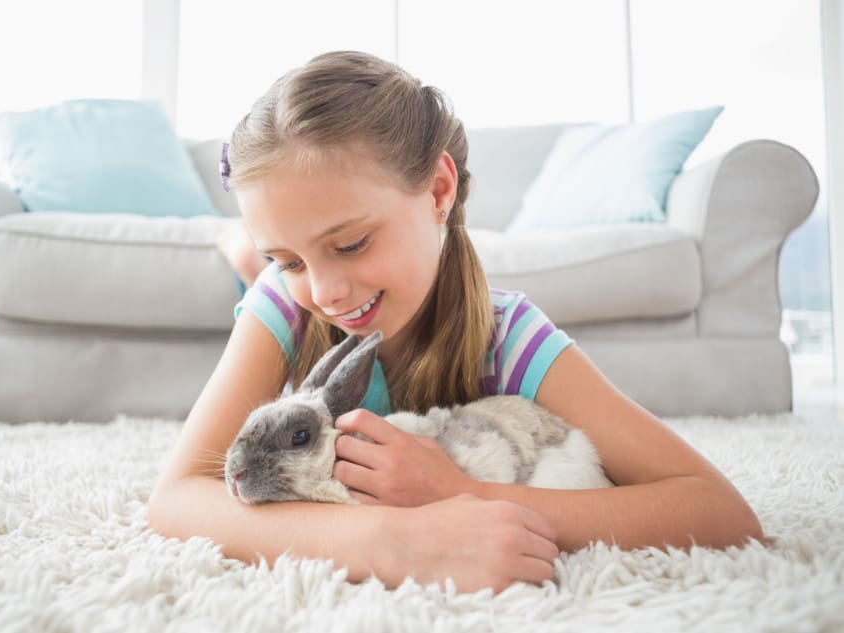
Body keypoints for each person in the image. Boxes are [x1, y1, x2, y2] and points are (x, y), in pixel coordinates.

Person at [148, 50, 763, 594]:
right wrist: (391, 540)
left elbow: (720, 512)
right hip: (271, 303)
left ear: (439, 190)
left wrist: (463, 492)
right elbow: (176, 499)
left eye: (352, 243)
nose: (326, 291)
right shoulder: (285, 305)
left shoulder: (511, 334)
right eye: (291, 258)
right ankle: (248, 251)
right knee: (257, 275)